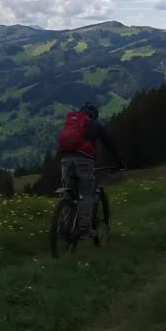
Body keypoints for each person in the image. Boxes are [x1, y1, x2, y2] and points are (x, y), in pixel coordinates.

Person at [55, 103, 125, 241]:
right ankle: (84, 229)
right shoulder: (95, 124)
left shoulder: (72, 123)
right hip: (84, 161)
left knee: (70, 192)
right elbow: (109, 144)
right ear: (94, 115)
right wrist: (119, 163)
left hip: (65, 159)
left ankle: (66, 224)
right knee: (87, 193)